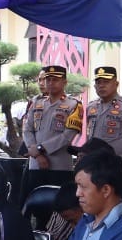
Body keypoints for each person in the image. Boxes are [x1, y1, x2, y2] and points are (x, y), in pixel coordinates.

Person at [66, 66, 122, 198]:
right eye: (98, 82)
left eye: (106, 82)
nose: (101, 86)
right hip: (96, 170)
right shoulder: (91, 107)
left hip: (121, 170)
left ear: (116, 84)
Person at [20, 65, 80, 199]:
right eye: (48, 79)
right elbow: (27, 129)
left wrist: (40, 149)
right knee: (36, 207)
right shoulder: (36, 103)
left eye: (55, 79)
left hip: (60, 166)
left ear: (65, 82)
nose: (51, 83)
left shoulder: (74, 105)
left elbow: (67, 136)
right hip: (36, 166)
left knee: (60, 210)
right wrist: (37, 155)